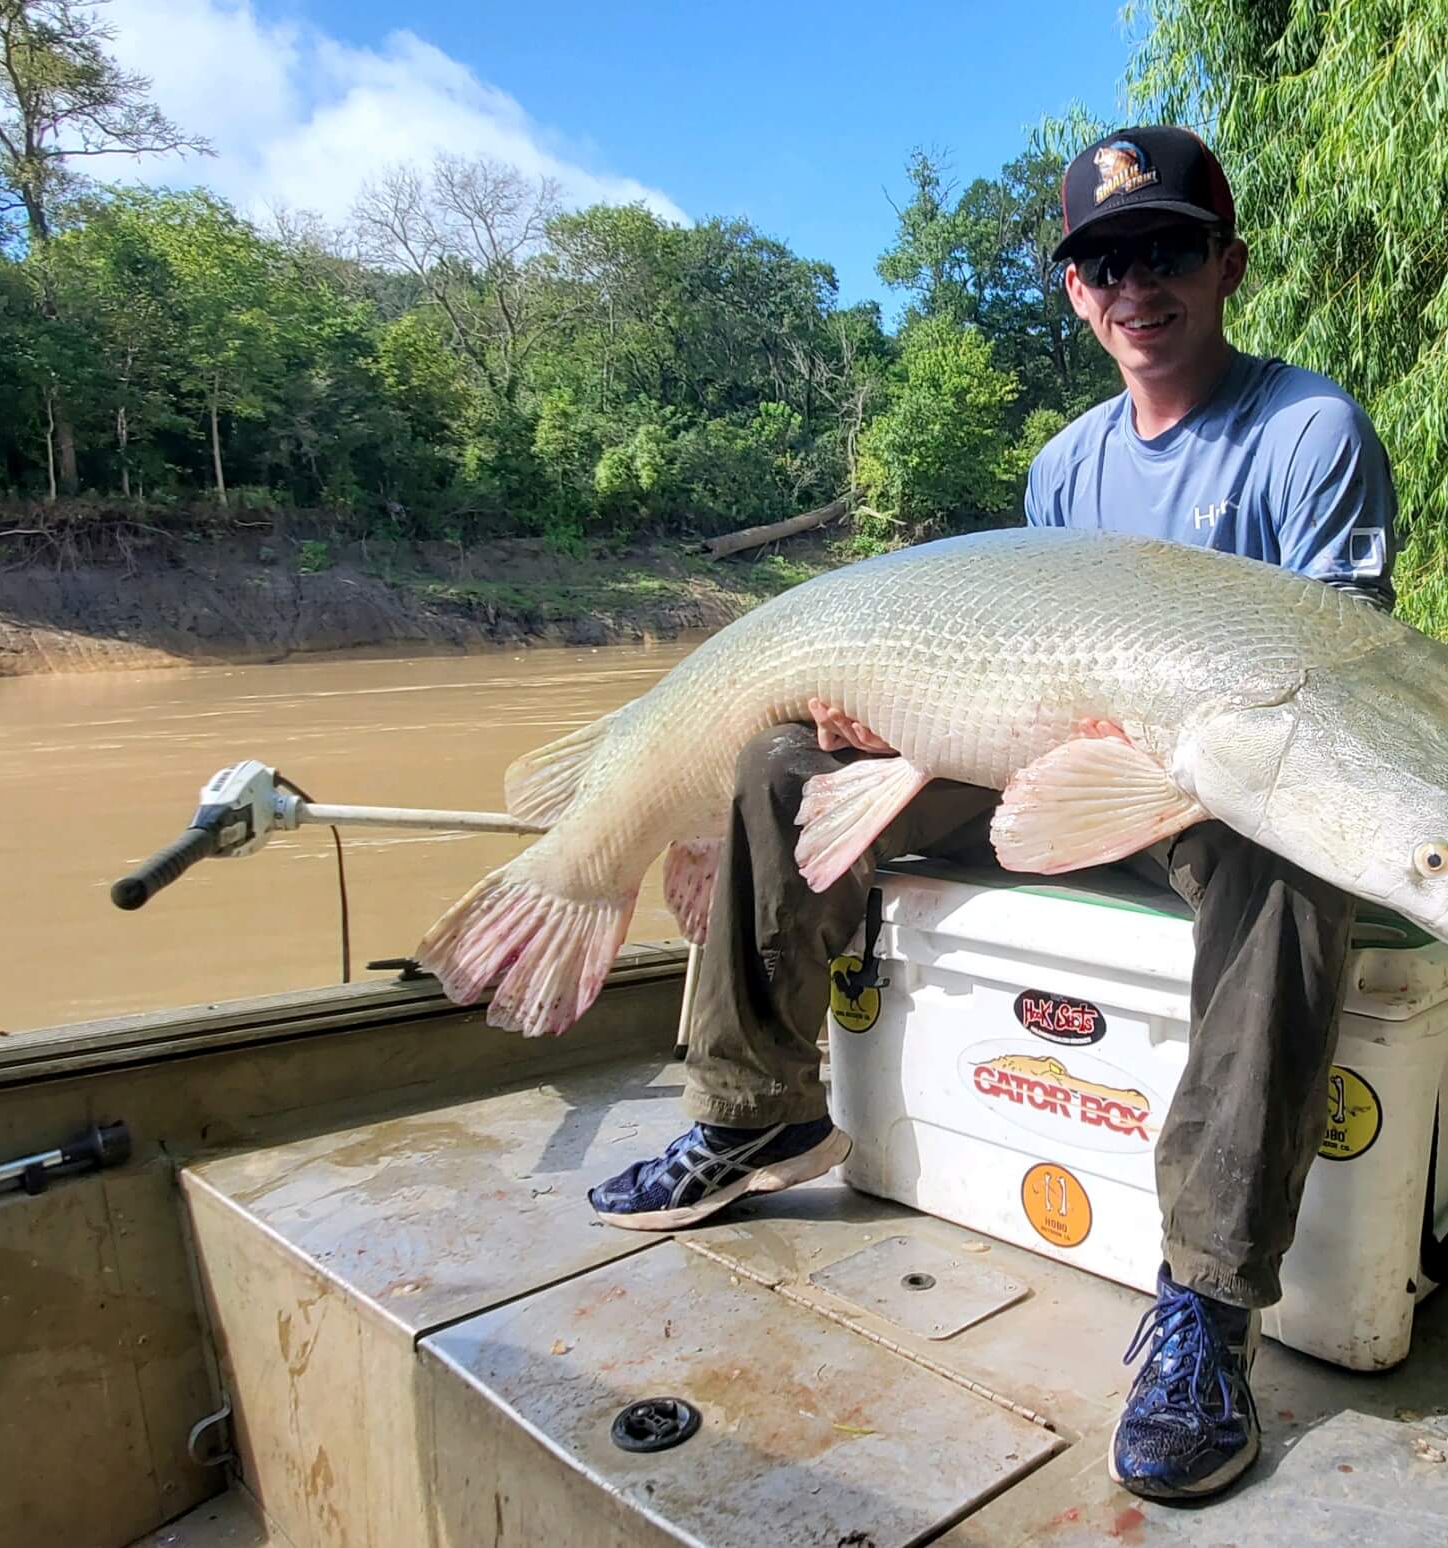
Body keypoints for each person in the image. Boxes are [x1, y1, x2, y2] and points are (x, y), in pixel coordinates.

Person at [586, 125, 1399, 1503]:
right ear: (1076, 294)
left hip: (1210, 796)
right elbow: (996, 683)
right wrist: (875, 725)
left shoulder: (1308, 431)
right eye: (1103, 261)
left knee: (1285, 851)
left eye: (1169, 249)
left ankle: (1207, 1299)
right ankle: (757, 1112)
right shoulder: (1064, 468)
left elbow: (1350, 689)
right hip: (1053, 777)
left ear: (1228, 264)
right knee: (781, 762)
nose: (1138, 283)